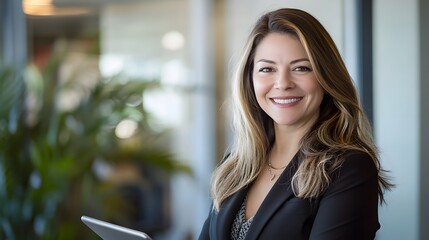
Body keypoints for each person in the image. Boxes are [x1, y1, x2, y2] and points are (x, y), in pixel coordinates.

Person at [198, 8, 393, 240]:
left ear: (325, 77)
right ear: (249, 79)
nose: (282, 83)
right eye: (267, 69)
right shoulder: (236, 166)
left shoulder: (347, 168)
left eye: (301, 68)